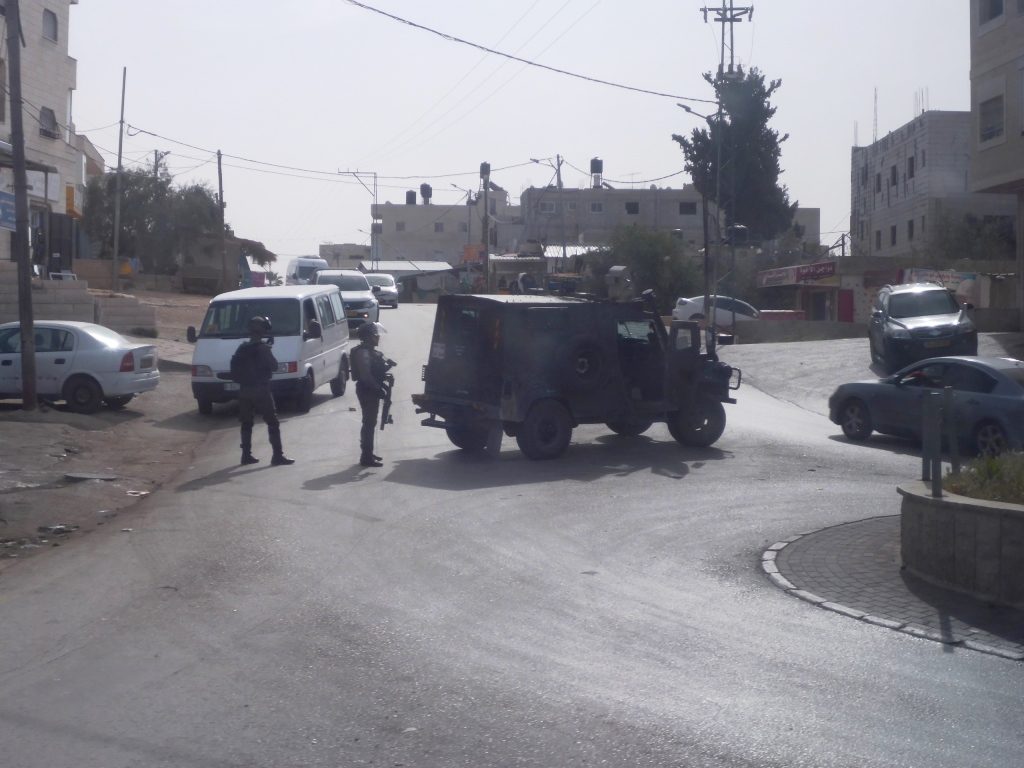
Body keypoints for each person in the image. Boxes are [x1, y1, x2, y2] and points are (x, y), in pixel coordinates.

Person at [230, 316, 295, 467]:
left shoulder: (242, 348)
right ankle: (277, 455)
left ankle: (246, 455)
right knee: (272, 422)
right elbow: (274, 366)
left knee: (246, 423)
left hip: (244, 390)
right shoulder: (263, 349)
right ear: (263, 331)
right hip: (261, 389)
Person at [351, 322, 391, 467]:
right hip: (367, 391)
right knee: (368, 423)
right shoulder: (363, 353)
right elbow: (366, 375)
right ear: (368, 337)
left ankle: (368, 453)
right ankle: (366, 457)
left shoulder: (370, 351)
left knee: (370, 423)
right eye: (375, 335)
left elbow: (374, 371)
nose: (378, 337)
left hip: (369, 389)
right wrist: (377, 389)